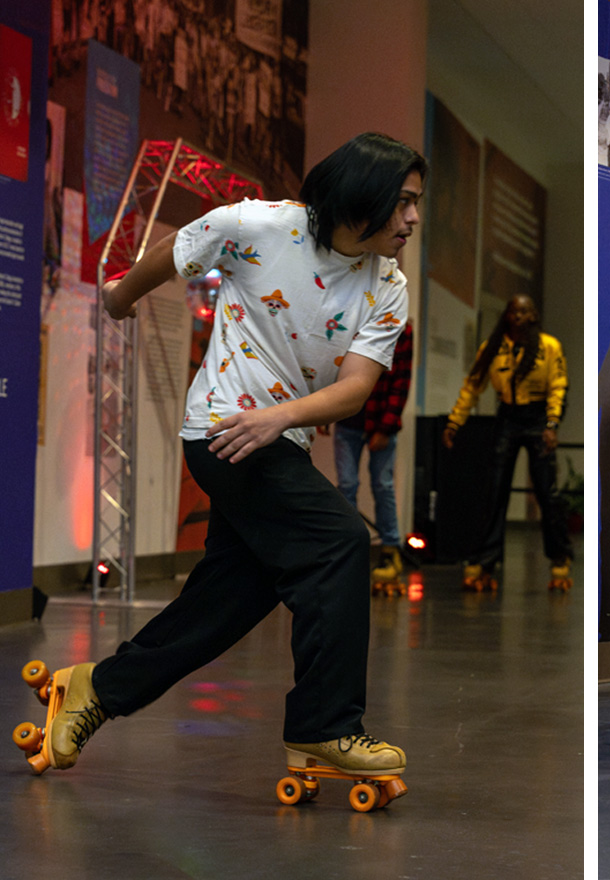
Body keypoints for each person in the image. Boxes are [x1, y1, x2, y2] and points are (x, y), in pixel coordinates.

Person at [43, 132, 425, 779]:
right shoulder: (262, 226)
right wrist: (120, 294)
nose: (413, 218)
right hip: (222, 430)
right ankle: (326, 727)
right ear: (366, 192)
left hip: (278, 438)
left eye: (418, 203)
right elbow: (181, 248)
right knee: (338, 541)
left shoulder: (387, 285)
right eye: (404, 201)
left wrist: (283, 417)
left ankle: (96, 689)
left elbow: (356, 389)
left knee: (229, 599)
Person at [442, 294, 572, 590]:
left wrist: (552, 424)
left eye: (525, 311)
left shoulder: (549, 347)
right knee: (495, 490)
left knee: (547, 493)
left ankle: (560, 557)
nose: (519, 317)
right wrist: (454, 422)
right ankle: (486, 561)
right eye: (514, 311)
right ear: (507, 315)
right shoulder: (493, 347)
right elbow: (472, 387)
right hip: (508, 418)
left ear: (534, 315)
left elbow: (558, 386)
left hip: (538, 418)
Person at [332, 321, 414, 589]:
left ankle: (390, 551)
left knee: (382, 485)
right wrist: (325, 410)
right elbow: (333, 363)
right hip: (347, 418)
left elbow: (401, 380)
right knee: (346, 485)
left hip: (380, 418)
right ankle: (349, 551)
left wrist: (386, 427)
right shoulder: (350, 318)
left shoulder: (401, 327)